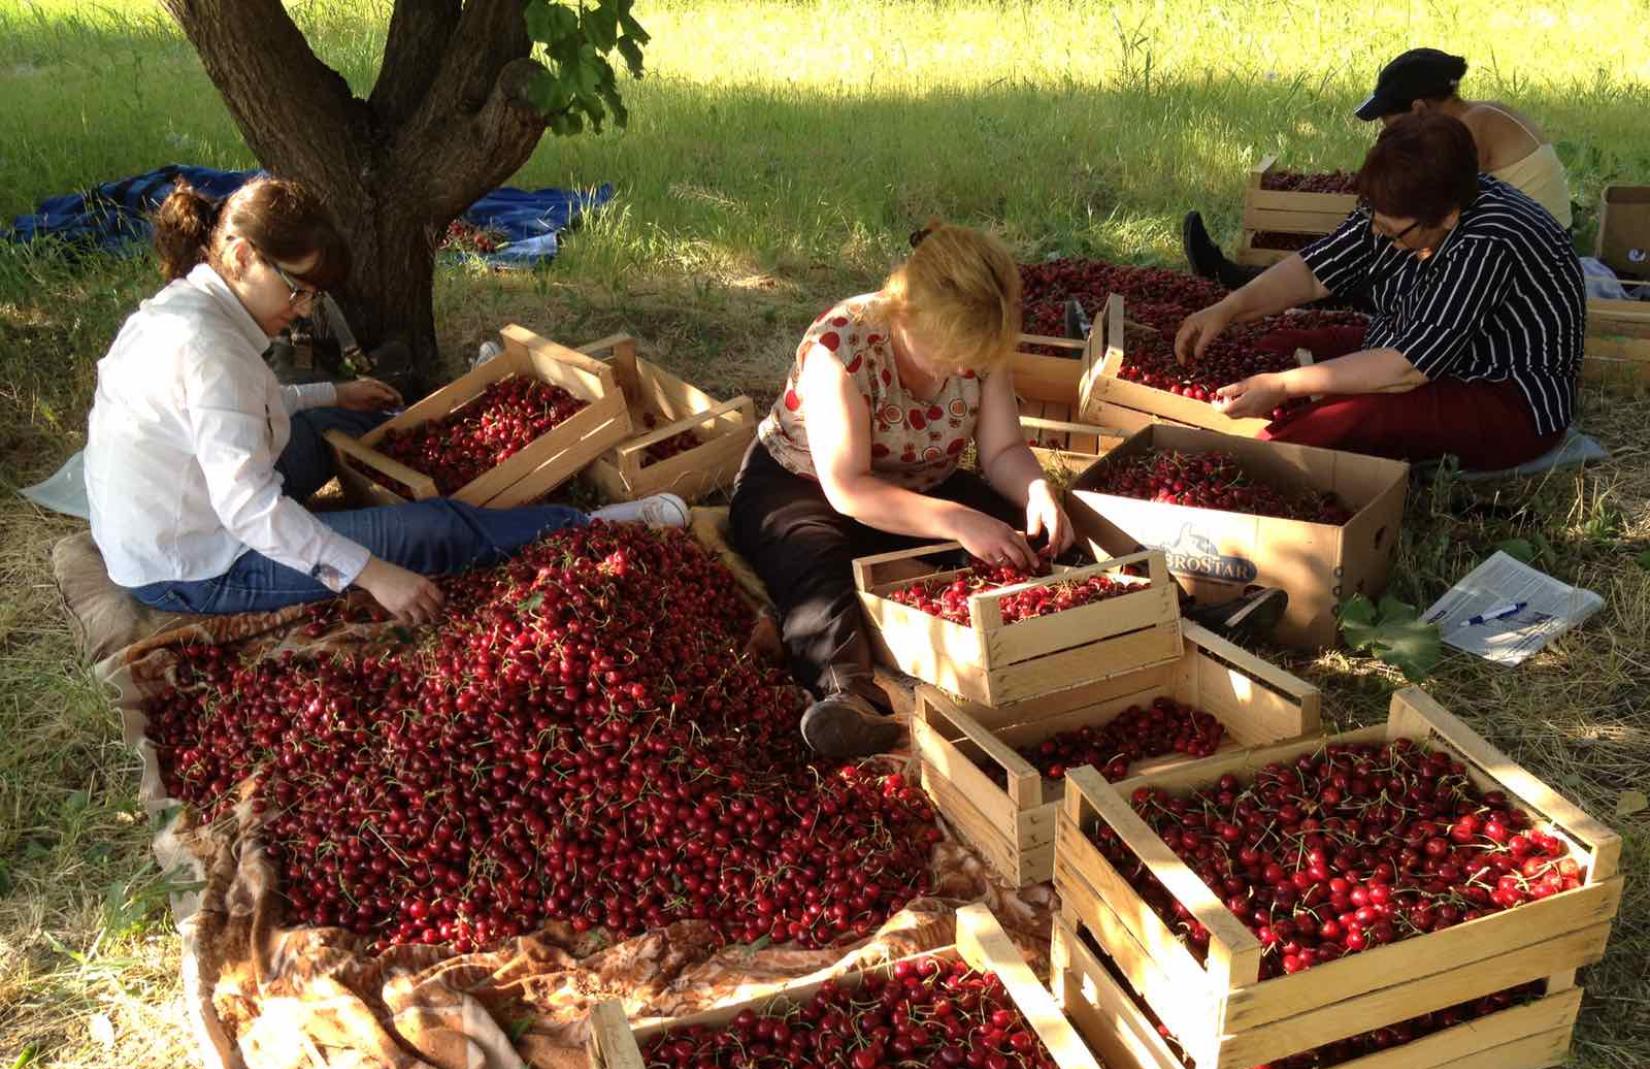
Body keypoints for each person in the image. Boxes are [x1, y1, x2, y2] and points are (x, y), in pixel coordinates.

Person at [84, 176, 686, 624]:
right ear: (242, 255)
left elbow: (250, 406)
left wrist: (336, 392)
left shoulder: (198, 306)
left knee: (332, 418)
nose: (302, 310)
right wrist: (373, 575)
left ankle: (421, 484)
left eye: (312, 296)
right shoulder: (209, 350)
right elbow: (249, 512)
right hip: (195, 564)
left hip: (182, 510)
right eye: (297, 291)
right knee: (434, 531)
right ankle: (592, 525)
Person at [729, 224, 1076, 758]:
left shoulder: (981, 343)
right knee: (816, 567)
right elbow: (848, 488)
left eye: (976, 361)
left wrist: (1034, 490)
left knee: (1032, 536)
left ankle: (1140, 609)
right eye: (954, 355)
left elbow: (1002, 451)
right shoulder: (841, 345)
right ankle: (848, 697)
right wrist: (956, 520)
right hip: (803, 487)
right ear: (908, 316)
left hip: (922, 485)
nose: (965, 370)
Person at [1173, 114, 1584, 471]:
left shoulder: (1489, 241)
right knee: (1275, 346)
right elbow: (1312, 273)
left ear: (1448, 216)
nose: (1375, 234)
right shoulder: (1400, 204)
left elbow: (1405, 370)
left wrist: (1283, 386)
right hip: (1412, 344)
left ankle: (1237, 460)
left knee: (1352, 418)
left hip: (1503, 397)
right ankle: (1203, 417)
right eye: (1374, 220)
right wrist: (1228, 308)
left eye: (1390, 231)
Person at [1184, 48, 1573, 288]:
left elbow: (1426, 208)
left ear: (1419, 109)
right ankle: (1261, 280)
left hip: (1526, 261)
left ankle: (1238, 279)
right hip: (1520, 243)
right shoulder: (1479, 113)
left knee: (1379, 260)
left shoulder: (1467, 131)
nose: (1387, 133)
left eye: (1389, 122)